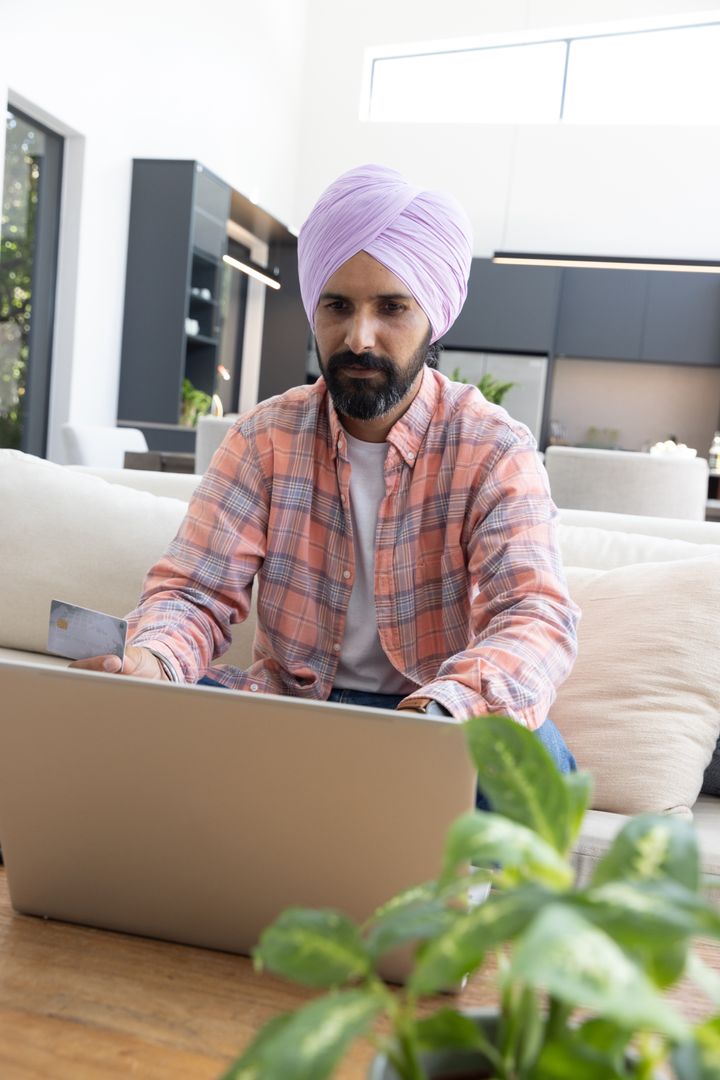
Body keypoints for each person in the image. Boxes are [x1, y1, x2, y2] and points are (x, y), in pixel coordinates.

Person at [73, 163, 579, 775]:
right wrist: (150, 661)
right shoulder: (265, 437)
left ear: (433, 319)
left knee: (535, 762)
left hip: (438, 722)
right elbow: (194, 593)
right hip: (293, 718)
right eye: (337, 306)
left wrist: (441, 716)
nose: (358, 337)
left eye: (391, 307)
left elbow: (533, 615)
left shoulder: (495, 448)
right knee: (134, 713)